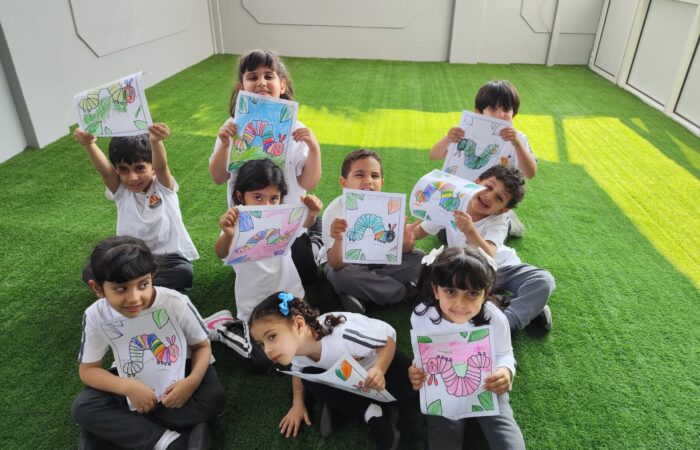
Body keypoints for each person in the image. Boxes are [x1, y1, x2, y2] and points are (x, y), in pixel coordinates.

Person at [71, 236, 225, 450]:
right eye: (120, 289)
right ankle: (170, 441)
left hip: (183, 368)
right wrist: (129, 387)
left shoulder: (174, 302)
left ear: (152, 277)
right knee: (83, 408)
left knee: (213, 398)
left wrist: (190, 383)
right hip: (131, 374)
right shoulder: (96, 316)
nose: (134, 298)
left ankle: (123, 428)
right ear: (97, 288)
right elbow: (88, 370)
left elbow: (202, 346)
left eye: (143, 284)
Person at [209, 49, 322, 285]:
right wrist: (225, 144)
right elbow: (218, 177)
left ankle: (314, 232)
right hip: (249, 223)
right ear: (241, 86)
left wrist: (314, 148)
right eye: (253, 77)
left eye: (269, 76)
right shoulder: (232, 127)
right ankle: (312, 225)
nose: (261, 82)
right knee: (254, 272)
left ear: (282, 85)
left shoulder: (296, 128)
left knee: (307, 276)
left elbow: (309, 182)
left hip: (288, 224)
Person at [249, 292, 415, 449]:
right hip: (352, 379)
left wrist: (379, 370)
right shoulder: (296, 352)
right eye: (261, 344)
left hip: (383, 363)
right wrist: (297, 404)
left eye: (272, 337)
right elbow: (298, 373)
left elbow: (387, 342)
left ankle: (340, 406)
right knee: (308, 377)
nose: (267, 350)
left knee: (408, 390)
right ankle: (373, 415)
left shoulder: (342, 337)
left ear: (298, 324)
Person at [207, 159, 322, 371]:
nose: (266, 205)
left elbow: (305, 223)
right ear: (241, 196)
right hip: (255, 307)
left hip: (289, 296)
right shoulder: (236, 223)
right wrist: (229, 235)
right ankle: (224, 326)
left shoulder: (283, 217)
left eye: (273, 198)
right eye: (258, 197)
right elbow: (220, 252)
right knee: (262, 359)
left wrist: (312, 213)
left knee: (311, 335)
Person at [408, 246, 525, 450]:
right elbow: (423, 355)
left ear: (485, 294)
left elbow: (505, 352)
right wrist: (416, 370)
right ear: (436, 290)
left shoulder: (494, 318)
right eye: (450, 291)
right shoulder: (422, 316)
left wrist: (505, 371)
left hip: (486, 384)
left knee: (504, 432)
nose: (460, 304)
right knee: (442, 432)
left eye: (472, 293)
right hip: (443, 387)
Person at [413, 165, 555, 332]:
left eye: (499, 198)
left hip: (501, 268)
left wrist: (469, 230)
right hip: (466, 272)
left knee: (543, 280)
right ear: (476, 182)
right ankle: (512, 304)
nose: (488, 196)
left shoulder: (499, 221)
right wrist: (406, 234)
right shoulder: (454, 203)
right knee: (429, 285)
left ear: (503, 209)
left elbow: (488, 254)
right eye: (488, 187)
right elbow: (419, 231)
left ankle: (507, 322)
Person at [74, 124, 199, 293]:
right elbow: (106, 172)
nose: (132, 177)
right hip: (131, 257)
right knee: (90, 271)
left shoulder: (163, 187)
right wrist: (89, 144)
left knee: (183, 273)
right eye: (124, 170)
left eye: (140, 168)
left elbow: (162, 167)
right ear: (117, 170)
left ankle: (127, 287)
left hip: (167, 258)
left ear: (152, 168)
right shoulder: (121, 191)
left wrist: (155, 141)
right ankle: (139, 286)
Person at [320, 149, 424, 313]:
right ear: (343, 182)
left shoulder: (388, 207)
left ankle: (363, 292)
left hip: (378, 258)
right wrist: (339, 239)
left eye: (374, 176)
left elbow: (396, 250)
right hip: (345, 263)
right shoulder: (334, 212)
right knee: (341, 276)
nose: (368, 181)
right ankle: (403, 291)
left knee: (419, 258)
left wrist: (405, 244)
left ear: (381, 182)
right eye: (359, 175)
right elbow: (336, 263)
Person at [428, 80, 536, 237]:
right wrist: (447, 139)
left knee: (487, 233)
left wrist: (518, 145)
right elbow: (434, 155)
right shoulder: (465, 132)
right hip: (464, 198)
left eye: (506, 109)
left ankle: (509, 222)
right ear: (478, 112)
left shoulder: (518, 139)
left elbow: (530, 172)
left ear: (514, 113)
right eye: (493, 108)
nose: (500, 115)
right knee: (445, 234)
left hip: (494, 204)